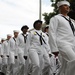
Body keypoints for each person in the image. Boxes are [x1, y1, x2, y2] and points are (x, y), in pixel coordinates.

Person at [49, 1, 75, 75]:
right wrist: (54, 48)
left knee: (63, 67)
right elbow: (52, 33)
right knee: (73, 60)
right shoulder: (56, 18)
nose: (67, 7)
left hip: (72, 44)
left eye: (68, 6)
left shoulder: (72, 21)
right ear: (60, 8)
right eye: (65, 5)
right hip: (63, 44)